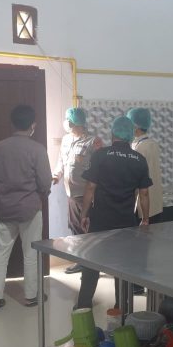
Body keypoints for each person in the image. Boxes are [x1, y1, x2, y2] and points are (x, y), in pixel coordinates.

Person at [76, 117, 152, 309]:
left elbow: (90, 188)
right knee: (122, 264)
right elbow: (144, 193)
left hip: (101, 219)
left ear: (113, 134)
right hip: (126, 220)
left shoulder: (101, 155)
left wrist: (84, 214)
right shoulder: (139, 160)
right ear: (130, 135)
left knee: (91, 262)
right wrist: (145, 219)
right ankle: (122, 305)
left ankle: (83, 305)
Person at [0, 105, 52, 313]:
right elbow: (45, 182)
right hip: (30, 209)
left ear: (12, 123)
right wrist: (42, 192)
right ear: (33, 125)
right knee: (31, 253)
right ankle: (31, 296)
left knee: (0, 253)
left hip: (4, 208)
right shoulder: (37, 149)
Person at [52, 107, 103, 275]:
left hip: (86, 195)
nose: (65, 123)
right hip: (71, 194)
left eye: (67, 120)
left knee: (88, 230)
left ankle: (91, 265)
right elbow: (61, 162)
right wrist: (56, 175)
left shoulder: (93, 142)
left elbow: (99, 168)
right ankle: (80, 261)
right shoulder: (66, 140)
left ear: (73, 122)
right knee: (74, 228)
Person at [128, 108, 163, 224]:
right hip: (155, 203)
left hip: (144, 206)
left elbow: (136, 178)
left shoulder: (139, 148)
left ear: (135, 127)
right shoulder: (152, 143)